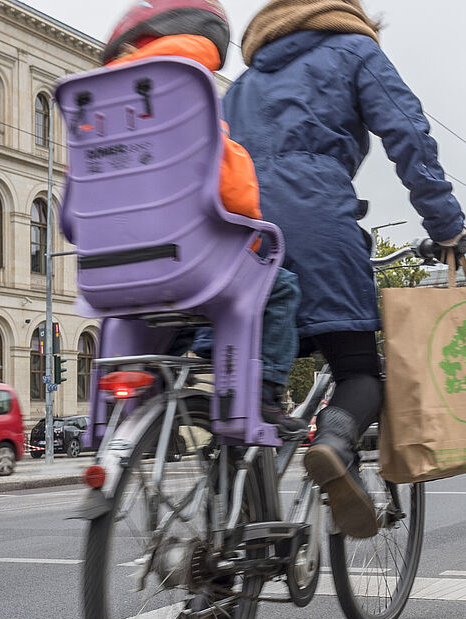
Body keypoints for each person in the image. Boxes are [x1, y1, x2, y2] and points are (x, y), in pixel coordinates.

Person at [225, 0, 466, 539]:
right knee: (359, 369)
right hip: (313, 223)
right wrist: (446, 226)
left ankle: (228, 561)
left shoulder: (242, 84)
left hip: (235, 236)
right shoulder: (355, 51)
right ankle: (334, 445)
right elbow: (409, 136)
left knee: (245, 390)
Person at [102, 0, 305, 436]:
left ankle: (149, 392)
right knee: (279, 287)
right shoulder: (187, 85)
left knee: (154, 312)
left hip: (112, 270)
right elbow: (233, 189)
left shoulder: (101, 101)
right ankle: (265, 394)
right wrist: (250, 231)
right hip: (187, 262)